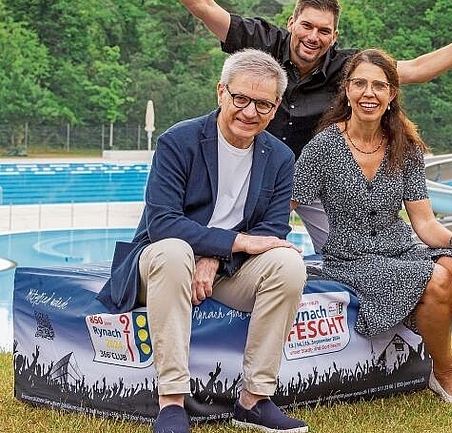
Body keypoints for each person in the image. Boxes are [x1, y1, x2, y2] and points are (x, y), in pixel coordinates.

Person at [151, 0, 452, 253]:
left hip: (314, 179)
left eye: (323, 31)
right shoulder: (260, 41)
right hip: (253, 169)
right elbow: (203, 6)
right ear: (292, 23)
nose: (312, 37)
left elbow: (418, 69)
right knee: (227, 245)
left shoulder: (347, 68)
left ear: (334, 36)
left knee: (350, 254)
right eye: (306, 26)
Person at [291, 49, 452, 421]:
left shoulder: (403, 147)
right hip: (351, 257)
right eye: (360, 84)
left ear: (392, 94)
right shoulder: (323, 147)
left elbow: (423, 223)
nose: (368, 93)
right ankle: (444, 372)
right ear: (345, 90)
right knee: (438, 277)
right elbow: (287, 205)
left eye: (379, 85)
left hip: (400, 245)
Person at [97, 49, 310, 433]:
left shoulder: (279, 157)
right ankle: (172, 403)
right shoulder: (179, 141)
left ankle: (254, 399)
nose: (249, 112)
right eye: (240, 98)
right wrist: (230, 244)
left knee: (288, 263)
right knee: (176, 251)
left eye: (262, 104)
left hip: (228, 271)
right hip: (161, 263)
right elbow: (163, 224)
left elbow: (273, 230)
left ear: (276, 106)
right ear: (220, 92)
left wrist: (215, 257)